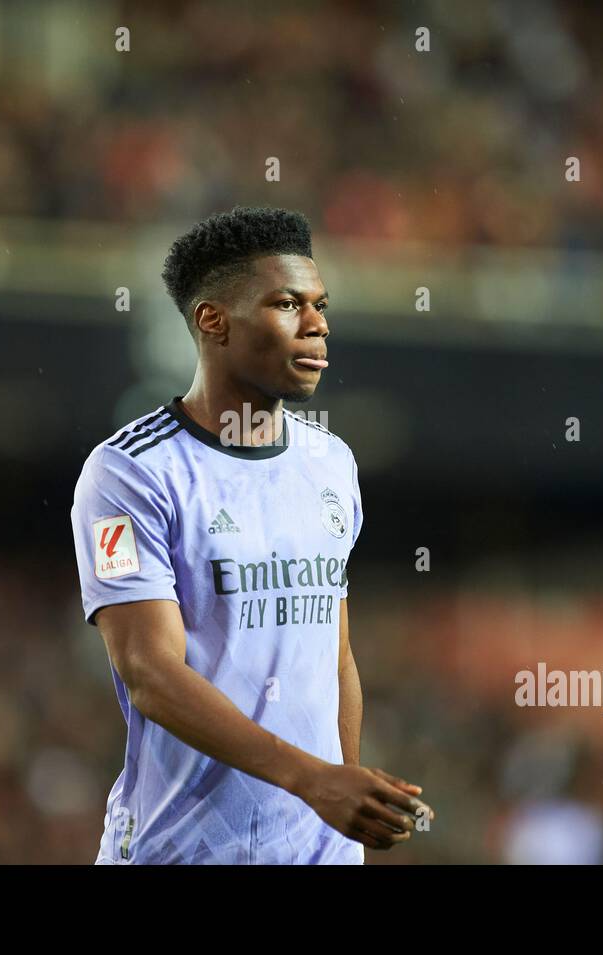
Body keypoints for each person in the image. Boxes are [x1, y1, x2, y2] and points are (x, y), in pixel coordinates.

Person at [71, 207, 433, 864]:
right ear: (214, 321)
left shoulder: (331, 464)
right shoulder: (130, 474)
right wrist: (313, 779)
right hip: (180, 849)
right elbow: (151, 672)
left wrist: (342, 796)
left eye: (320, 305)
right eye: (288, 304)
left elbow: (336, 657)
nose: (318, 324)